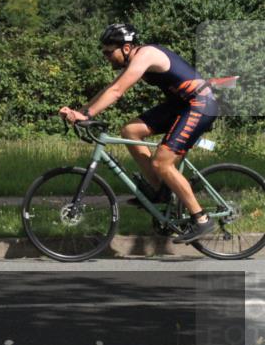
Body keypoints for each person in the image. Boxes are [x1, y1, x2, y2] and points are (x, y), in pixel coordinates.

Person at [59, 23, 220, 244]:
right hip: (181, 104)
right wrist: (83, 112)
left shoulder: (146, 55)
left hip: (200, 105)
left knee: (162, 163)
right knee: (130, 130)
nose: (105, 56)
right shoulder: (136, 59)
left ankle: (201, 219)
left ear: (126, 48)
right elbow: (111, 87)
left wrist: (85, 116)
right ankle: (160, 191)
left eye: (108, 51)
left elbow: (117, 92)